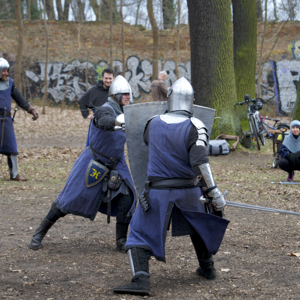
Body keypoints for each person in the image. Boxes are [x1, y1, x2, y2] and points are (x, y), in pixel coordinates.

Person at [114, 77, 230, 296]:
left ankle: (141, 279)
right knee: (199, 225)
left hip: (158, 193)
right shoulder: (197, 126)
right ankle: (208, 268)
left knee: (139, 232)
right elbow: (200, 163)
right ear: (191, 101)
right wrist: (213, 192)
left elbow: (147, 145)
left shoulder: (152, 123)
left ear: (170, 99)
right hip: (189, 192)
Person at [29, 75, 136, 252]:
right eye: (124, 94)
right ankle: (39, 232)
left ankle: (121, 241)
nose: (128, 97)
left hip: (116, 163)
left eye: (128, 94)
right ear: (116, 95)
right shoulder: (104, 109)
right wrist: (118, 123)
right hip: (93, 161)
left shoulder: (128, 112)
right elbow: (104, 121)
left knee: (128, 197)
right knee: (67, 200)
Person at [0, 57, 39, 181]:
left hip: (6, 121)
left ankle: (14, 174)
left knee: (11, 147)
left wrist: (31, 110)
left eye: (7, 71)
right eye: (3, 71)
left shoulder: (10, 83)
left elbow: (20, 99)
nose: (6, 73)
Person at [79, 68, 115, 146]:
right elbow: (82, 101)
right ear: (102, 78)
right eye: (106, 78)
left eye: (110, 78)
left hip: (113, 124)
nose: (108, 81)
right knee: (93, 147)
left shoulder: (116, 91)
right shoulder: (94, 90)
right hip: (97, 125)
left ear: (113, 78)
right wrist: (86, 114)